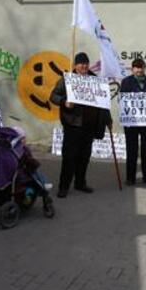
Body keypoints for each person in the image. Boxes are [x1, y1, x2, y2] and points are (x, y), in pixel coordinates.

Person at [49, 52, 112, 198]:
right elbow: (53, 96)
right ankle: (64, 186)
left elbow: (103, 103)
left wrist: (108, 119)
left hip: (89, 126)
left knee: (84, 156)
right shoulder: (67, 79)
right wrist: (65, 102)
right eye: (80, 63)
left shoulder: (95, 80)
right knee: (69, 157)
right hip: (73, 125)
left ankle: (80, 183)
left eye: (85, 63)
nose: (83, 66)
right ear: (75, 65)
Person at [120, 58, 146, 186]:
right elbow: (122, 100)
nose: (139, 70)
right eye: (136, 67)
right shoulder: (126, 81)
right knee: (132, 149)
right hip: (132, 122)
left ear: (144, 68)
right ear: (132, 69)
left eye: (141, 67)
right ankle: (130, 177)